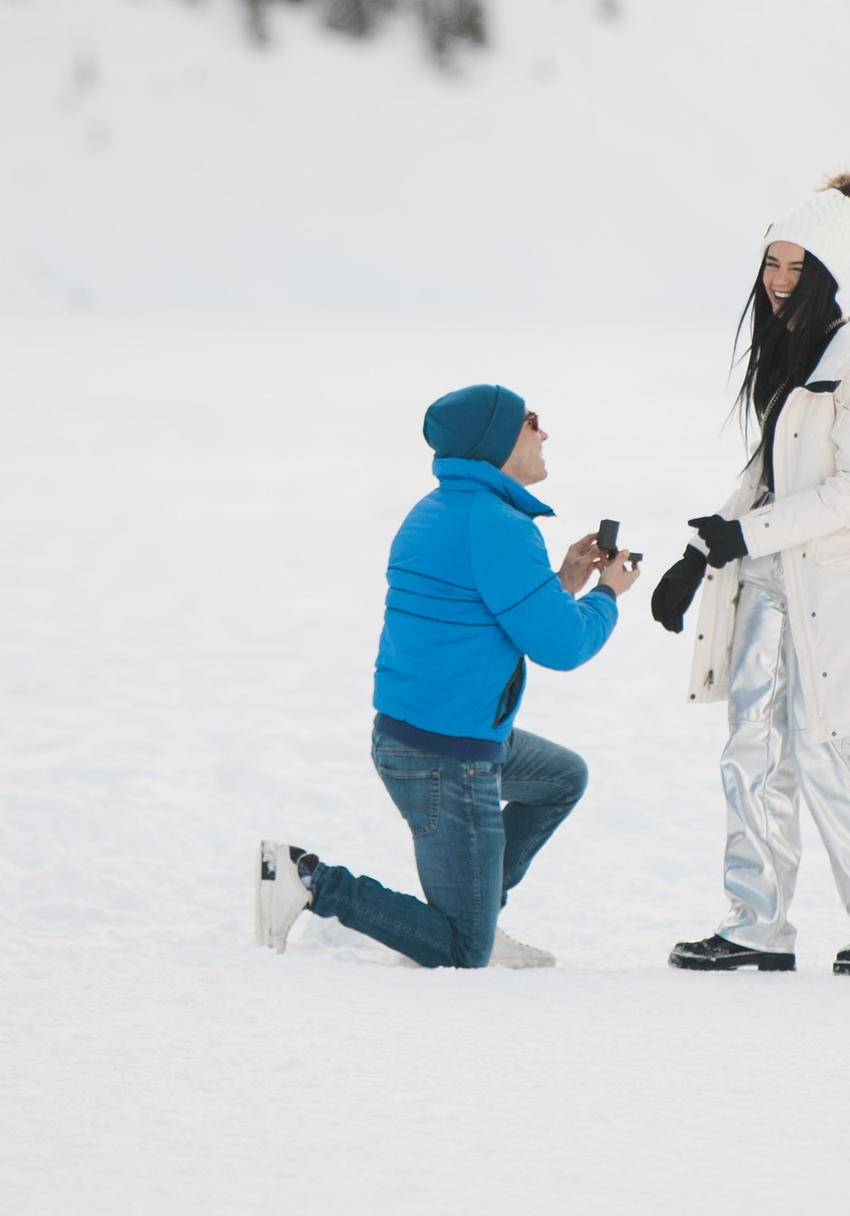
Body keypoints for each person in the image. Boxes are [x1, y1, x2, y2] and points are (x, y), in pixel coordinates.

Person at [650, 171, 850, 975]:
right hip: (774, 580)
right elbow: (770, 473)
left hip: (834, 589)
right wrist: (700, 550)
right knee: (749, 746)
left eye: (794, 267)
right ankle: (756, 922)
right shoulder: (797, 359)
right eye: (769, 265)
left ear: (824, 275)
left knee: (822, 747)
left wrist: (744, 533)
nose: (777, 282)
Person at [256, 384, 641, 969]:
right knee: (463, 953)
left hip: (429, 734)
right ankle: (310, 881)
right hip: (446, 758)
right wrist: (610, 592)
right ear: (495, 441)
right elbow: (562, 645)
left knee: (563, 776)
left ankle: (477, 911)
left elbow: (493, 615)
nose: (543, 434)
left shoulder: (446, 510)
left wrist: (561, 580)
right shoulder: (498, 526)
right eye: (531, 421)